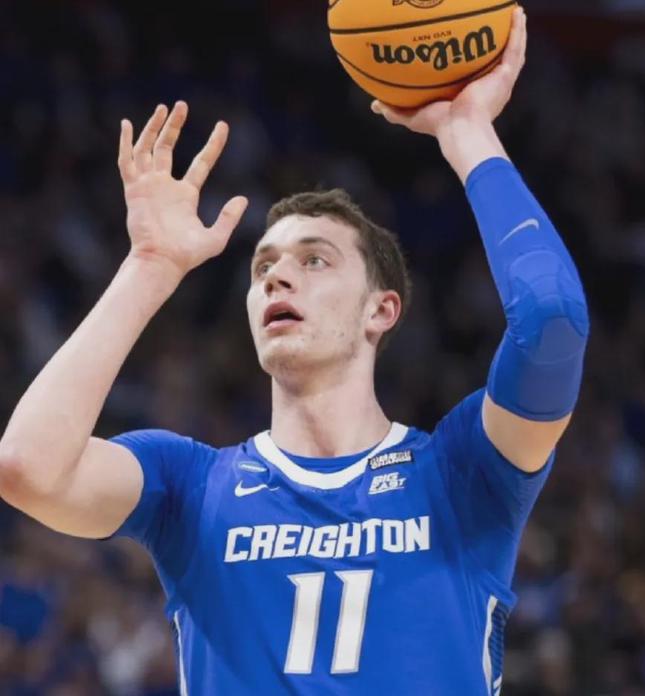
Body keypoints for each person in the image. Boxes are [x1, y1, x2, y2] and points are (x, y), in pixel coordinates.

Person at [0, 8, 589, 695]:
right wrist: (150, 266)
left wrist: (466, 133)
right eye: (263, 267)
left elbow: (551, 323)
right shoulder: (191, 487)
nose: (277, 277)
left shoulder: (461, 474)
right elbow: (28, 467)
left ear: (381, 310)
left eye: (315, 260)